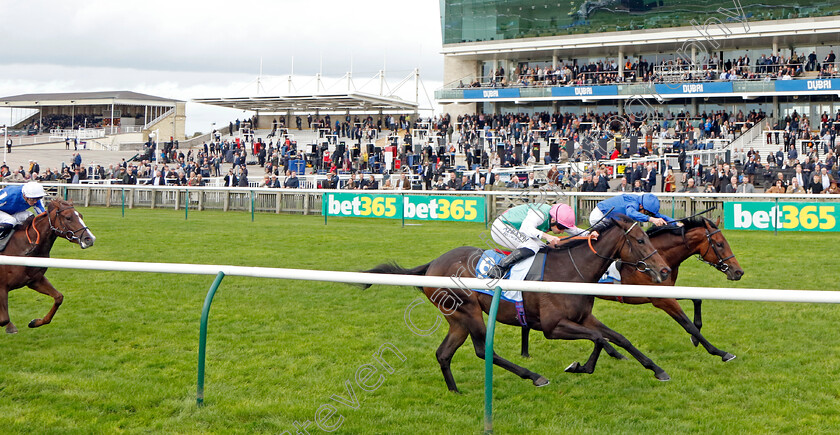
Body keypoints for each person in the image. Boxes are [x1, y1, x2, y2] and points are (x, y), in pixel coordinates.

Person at [488, 203, 597, 279]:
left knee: (543, 248)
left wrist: (589, 234)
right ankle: (500, 268)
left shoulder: (554, 217)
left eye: (564, 228)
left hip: (515, 229)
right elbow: (526, 229)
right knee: (532, 246)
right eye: (561, 227)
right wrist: (547, 236)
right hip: (501, 227)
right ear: (553, 220)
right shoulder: (540, 214)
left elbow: (574, 230)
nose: (562, 231)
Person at [589, 193, 676, 227]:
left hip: (608, 218)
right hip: (600, 217)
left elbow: (658, 216)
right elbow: (630, 213)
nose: (647, 215)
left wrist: (675, 222)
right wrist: (651, 219)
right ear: (641, 206)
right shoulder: (634, 203)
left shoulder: (641, 202)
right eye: (646, 213)